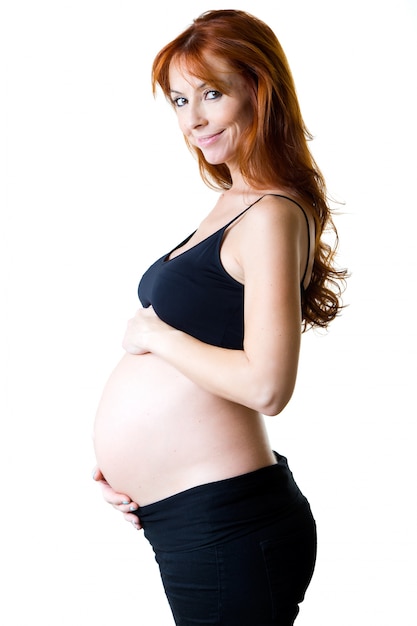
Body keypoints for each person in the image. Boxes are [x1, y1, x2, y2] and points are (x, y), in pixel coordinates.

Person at [92, 9, 347, 626]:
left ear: (259, 92)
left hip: (228, 524)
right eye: (180, 100)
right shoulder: (234, 204)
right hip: (191, 517)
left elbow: (267, 386)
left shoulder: (270, 213)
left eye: (212, 94)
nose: (194, 119)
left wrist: (156, 335)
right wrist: (129, 467)